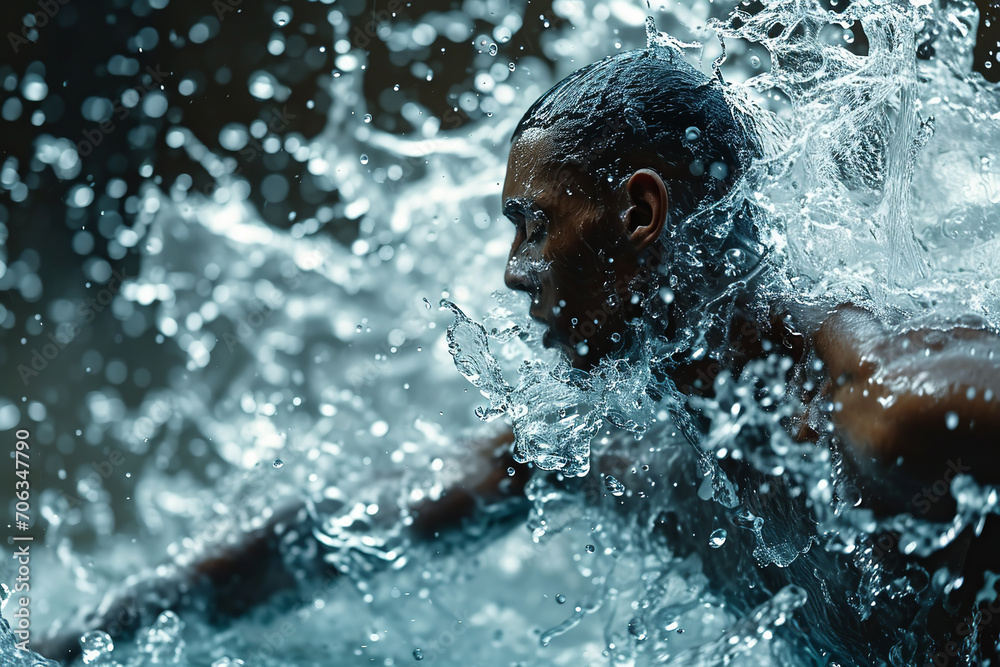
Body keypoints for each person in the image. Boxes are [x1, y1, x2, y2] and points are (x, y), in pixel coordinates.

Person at [38, 48, 1000, 664]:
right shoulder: (622, 443)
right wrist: (77, 641)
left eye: (534, 226)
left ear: (638, 212)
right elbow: (349, 530)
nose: (514, 274)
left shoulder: (886, 401)